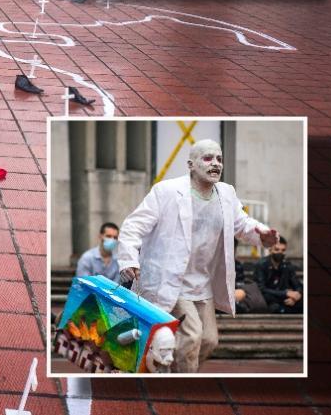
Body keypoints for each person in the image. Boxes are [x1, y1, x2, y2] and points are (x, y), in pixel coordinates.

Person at [115, 139, 280, 373]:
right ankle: (181, 388)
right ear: (191, 164)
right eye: (208, 158)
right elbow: (133, 226)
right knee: (191, 336)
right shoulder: (167, 191)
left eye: (219, 159)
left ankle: (169, 370)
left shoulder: (226, 193)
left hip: (203, 283)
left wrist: (261, 234)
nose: (215, 164)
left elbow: (242, 223)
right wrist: (129, 259)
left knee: (209, 340)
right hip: (170, 279)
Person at [254, 237, 303, 314]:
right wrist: (285, 293)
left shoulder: (287, 265)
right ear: (270, 250)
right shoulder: (262, 265)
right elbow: (261, 288)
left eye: (283, 250)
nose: (280, 252)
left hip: (285, 298)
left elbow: (297, 285)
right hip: (269, 298)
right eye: (277, 249)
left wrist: (296, 296)